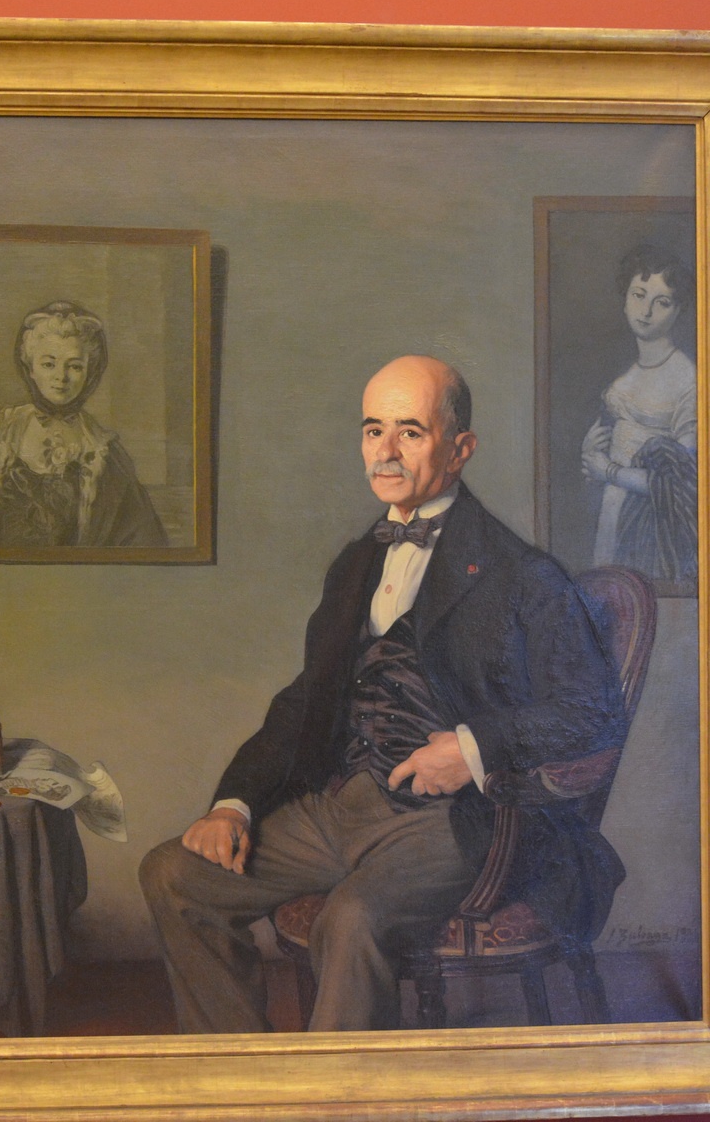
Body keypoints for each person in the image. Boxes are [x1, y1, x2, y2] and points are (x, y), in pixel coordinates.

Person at [140, 355, 625, 1032]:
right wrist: (234, 804)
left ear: (460, 449)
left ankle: (338, 1090)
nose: (386, 452)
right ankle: (241, 1078)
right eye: (373, 431)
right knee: (174, 874)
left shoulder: (523, 573)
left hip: (453, 822)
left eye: (410, 432)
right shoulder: (355, 562)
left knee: (352, 920)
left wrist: (471, 749)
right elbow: (305, 700)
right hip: (338, 806)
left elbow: (592, 711)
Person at [0, 301, 168, 548]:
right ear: (30, 368)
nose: (60, 377)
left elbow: (145, 542)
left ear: (90, 372)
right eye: (48, 364)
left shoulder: (106, 455)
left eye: (74, 366)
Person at [581, 244, 697, 584]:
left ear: (679, 310)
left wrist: (608, 471)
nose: (645, 311)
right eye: (639, 295)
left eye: (662, 302)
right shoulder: (623, 379)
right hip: (612, 515)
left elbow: (683, 483)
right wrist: (590, 456)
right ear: (625, 298)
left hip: (653, 527)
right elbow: (597, 468)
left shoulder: (687, 380)